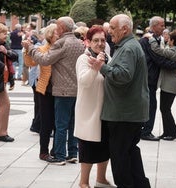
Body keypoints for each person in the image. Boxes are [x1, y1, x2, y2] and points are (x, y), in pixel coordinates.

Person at [89, 14, 151, 188]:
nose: (110, 32)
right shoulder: (128, 45)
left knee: (120, 156)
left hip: (124, 114)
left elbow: (123, 76)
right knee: (129, 152)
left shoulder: (129, 48)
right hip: (128, 112)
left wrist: (102, 67)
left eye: (113, 29)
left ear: (125, 29)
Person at [22, 16, 85, 165]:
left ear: (62, 28)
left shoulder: (61, 43)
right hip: (76, 89)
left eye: (57, 27)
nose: (56, 29)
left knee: (61, 124)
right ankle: (73, 153)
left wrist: (30, 48)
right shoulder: (79, 43)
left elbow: (44, 60)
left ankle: (59, 155)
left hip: (62, 90)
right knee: (71, 124)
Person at [75, 25, 115, 188]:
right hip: (88, 111)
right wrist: (95, 67)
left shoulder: (108, 57)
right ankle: (83, 182)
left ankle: (101, 179)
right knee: (88, 148)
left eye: (103, 40)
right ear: (88, 42)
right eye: (96, 40)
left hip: (105, 111)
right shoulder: (83, 59)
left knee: (105, 146)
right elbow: (84, 81)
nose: (100, 43)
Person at [139, 16, 176, 141]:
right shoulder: (147, 40)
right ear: (154, 26)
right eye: (162, 25)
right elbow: (157, 58)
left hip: (151, 77)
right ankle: (146, 131)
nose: (164, 28)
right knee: (151, 105)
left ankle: (146, 129)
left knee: (151, 105)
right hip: (148, 77)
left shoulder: (155, 39)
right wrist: (174, 65)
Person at [24, 24, 58, 161]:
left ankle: (57, 150)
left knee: (59, 122)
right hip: (45, 89)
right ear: (50, 35)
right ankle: (43, 151)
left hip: (60, 89)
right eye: (57, 33)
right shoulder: (42, 49)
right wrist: (27, 50)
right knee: (46, 121)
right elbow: (30, 63)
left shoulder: (62, 48)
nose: (59, 35)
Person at [146, 30, 176, 140]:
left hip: (171, 86)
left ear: (172, 40)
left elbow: (157, 50)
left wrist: (151, 38)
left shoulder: (175, 53)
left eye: (169, 38)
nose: (167, 39)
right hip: (167, 85)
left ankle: (174, 133)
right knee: (164, 109)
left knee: (165, 109)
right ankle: (167, 132)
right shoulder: (173, 51)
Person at [0, 23, 17, 142]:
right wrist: (2, 67)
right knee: (5, 104)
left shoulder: (3, 45)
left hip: (2, 78)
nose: (5, 35)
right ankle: (2, 133)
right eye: (3, 33)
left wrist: (6, 52)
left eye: (6, 32)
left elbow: (15, 56)